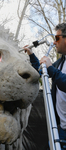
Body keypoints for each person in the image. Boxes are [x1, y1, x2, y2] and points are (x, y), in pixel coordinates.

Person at [24, 22, 66, 150]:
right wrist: (31, 55)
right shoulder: (60, 63)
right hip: (62, 128)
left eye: (57, 38)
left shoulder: (56, 68)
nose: (54, 42)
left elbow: (53, 73)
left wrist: (52, 70)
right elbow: (43, 71)